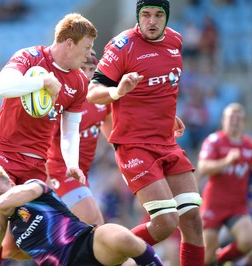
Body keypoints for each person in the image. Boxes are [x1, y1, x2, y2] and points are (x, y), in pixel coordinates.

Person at [0, 12, 97, 259]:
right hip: (1, 153)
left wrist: (72, 164)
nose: (88, 54)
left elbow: (70, 129)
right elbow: (2, 88)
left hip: (36, 165)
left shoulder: (80, 83)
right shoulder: (31, 57)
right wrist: (42, 83)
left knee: (18, 246)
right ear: (69, 43)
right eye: (86, 47)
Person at [86, 0, 205, 265]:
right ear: (138, 16)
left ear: (167, 17)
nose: (152, 21)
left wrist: (168, 116)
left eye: (159, 14)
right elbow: (93, 93)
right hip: (134, 145)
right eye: (146, 14)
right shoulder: (122, 46)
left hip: (166, 142)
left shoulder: (175, 41)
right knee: (165, 222)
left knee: (193, 220)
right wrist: (118, 91)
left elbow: (162, 85)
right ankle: (100, 257)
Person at [0, 165, 164, 266]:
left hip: (87, 243)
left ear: (11, 184)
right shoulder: (8, 231)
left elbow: (25, 192)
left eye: (1, 194)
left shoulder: (33, 189)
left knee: (121, 236)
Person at [47, 50, 111, 225]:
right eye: (83, 68)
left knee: (76, 236)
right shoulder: (61, 99)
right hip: (61, 173)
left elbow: (115, 136)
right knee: (95, 224)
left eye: (92, 69)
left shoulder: (100, 98)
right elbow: (42, 145)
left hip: (83, 175)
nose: (88, 74)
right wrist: (44, 186)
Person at [197, 103, 252, 265]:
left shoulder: (249, 146)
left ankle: (220, 260)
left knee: (248, 240)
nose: (235, 121)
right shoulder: (215, 141)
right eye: (231, 117)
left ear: (244, 122)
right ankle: (213, 260)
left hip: (237, 206)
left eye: (238, 118)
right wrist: (226, 161)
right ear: (223, 120)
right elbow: (203, 167)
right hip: (214, 205)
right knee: (206, 256)